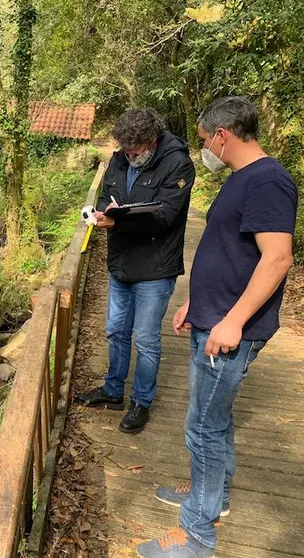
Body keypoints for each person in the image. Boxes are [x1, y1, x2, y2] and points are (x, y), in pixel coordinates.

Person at [136, 97, 297, 557]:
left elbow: (277, 258)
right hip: (213, 316)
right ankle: (212, 498)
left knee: (202, 427)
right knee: (215, 420)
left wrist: (232, 321)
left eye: (206, 141)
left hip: (230, 330)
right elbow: (230, 251)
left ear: (223, 136)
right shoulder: (243, 178)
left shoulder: (268, 181)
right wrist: (196, 302)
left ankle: (197, 535)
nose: (205, 149)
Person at [76, 108, 195, 434]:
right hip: (121, 262)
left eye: (135, 150)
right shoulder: (118, 159)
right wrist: (101, 213)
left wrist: (117, 220)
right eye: (126, 151)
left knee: (145, 338)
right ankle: (113, 391)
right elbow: (105, 194)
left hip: (155, 268)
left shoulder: (177, 163)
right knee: (115, 330)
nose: (130, 156)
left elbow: (163, 217)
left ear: (152, 140)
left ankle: (141, 401)